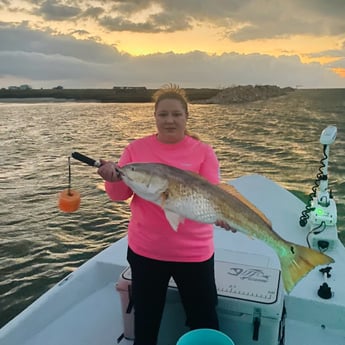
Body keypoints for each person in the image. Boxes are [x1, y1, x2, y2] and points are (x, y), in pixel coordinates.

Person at [98, 84, 230, 345]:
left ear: (186, 117)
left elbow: (214, 196)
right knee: (146, 320)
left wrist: (224, 215)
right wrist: (112, 179)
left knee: (203, 318)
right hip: (146, 251)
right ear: (155, 117)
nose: (170, 120)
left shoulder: (203, 151)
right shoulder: (136, 150)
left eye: (176, 114)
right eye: (163, 114)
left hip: (194, 253)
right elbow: (119, 195)